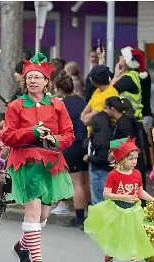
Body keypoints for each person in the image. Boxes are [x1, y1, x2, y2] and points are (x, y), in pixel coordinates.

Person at [2, 52, 74, 262]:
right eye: (29, 77)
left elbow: (69, 135)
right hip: (26, 162)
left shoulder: (58, 105)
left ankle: (22, 246)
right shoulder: (15, 106)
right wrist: (32, 132)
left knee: (42, 215)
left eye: (37, 77)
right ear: (25, 81)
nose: (32, 81)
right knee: (32, 212)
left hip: (51, 163)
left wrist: (55, 139)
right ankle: (37, 259)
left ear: (46, 81)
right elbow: (7, 136)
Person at [84, 137, 154, 262]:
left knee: (134, 238)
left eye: (136, 158)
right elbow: (106, 194)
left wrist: (152, 199)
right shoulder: (113, 175)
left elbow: (140, 191)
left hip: (133, 211)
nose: (134, 161)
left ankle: (134, 258)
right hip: (117, 211)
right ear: (121, 159)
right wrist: (124, 196)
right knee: (115, 240)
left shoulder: (137, 173)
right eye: (131, 158)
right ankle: (109, 257)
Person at [50, 71, 90, 229]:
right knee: (86, 181)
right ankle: (90, 212)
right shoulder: (83, 101)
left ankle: (79, 216)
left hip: (71, 144)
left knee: (77, 183)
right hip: (85, 143)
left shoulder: (61, 105)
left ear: (59, 89)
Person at [104, 97, 148, 204]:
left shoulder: (124, 123)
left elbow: (126, 141)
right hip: (133, 158)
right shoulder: (125, 121)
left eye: (106, 108)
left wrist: (111, 149)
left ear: (112, 109)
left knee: (135, 188)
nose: (105, 111)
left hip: (132, 159)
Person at [85, 111, 113, 206]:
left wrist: (89, 158)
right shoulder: (110, 137)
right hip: (105, 171)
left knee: (98, 200)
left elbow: (102, 158)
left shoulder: (101, 140)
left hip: (98, 172)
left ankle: (99, 219)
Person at [80, 65, 119, 131]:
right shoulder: (97, 91)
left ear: (95, 80)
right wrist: (85, 117)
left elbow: (87, 120)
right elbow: (83, 113)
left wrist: (85, 118)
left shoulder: (109, 95)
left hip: (102, 135)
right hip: (93, 134)